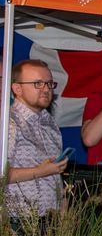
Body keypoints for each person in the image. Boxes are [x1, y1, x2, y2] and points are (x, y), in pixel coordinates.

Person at [4, 60, 65, 218]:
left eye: (49, 84)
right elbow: (1, 174)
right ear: (17, 88)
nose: (46, 89)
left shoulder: (50, 123)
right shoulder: (8, 122)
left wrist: (64, 211)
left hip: (51, 221)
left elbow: (55, 175)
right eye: (38, 83)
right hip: (18, 221)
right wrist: (40, 171)